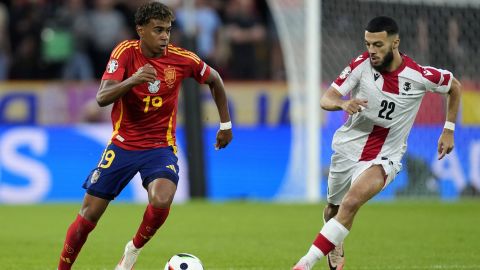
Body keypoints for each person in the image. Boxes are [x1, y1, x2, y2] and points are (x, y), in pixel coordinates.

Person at [57, 2, 233, 270]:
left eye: (168, 30)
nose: (164, 36)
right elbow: (102, 97)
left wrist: (225, 124)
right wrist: (133, 80)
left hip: (160, 147)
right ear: (141, 30)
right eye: (158, 30)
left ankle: (132, 251)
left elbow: (215, 79)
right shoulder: (125, 53)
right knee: (88, 215)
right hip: (123, 144)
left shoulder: (182, 59)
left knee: (161, 200)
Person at [292, 16, 461, 270]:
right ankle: (334, 241)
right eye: (368, 43)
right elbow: (327, 97)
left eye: (378, 45)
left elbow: (454, 86)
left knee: (351, 202)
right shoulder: (360, 65)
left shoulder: (419, 76)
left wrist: (448, 129)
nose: (371, 50)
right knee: (332, 211)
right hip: (348, 149)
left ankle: (304, 264)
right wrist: (342, 103)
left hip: (386, 157)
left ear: (395, 43)